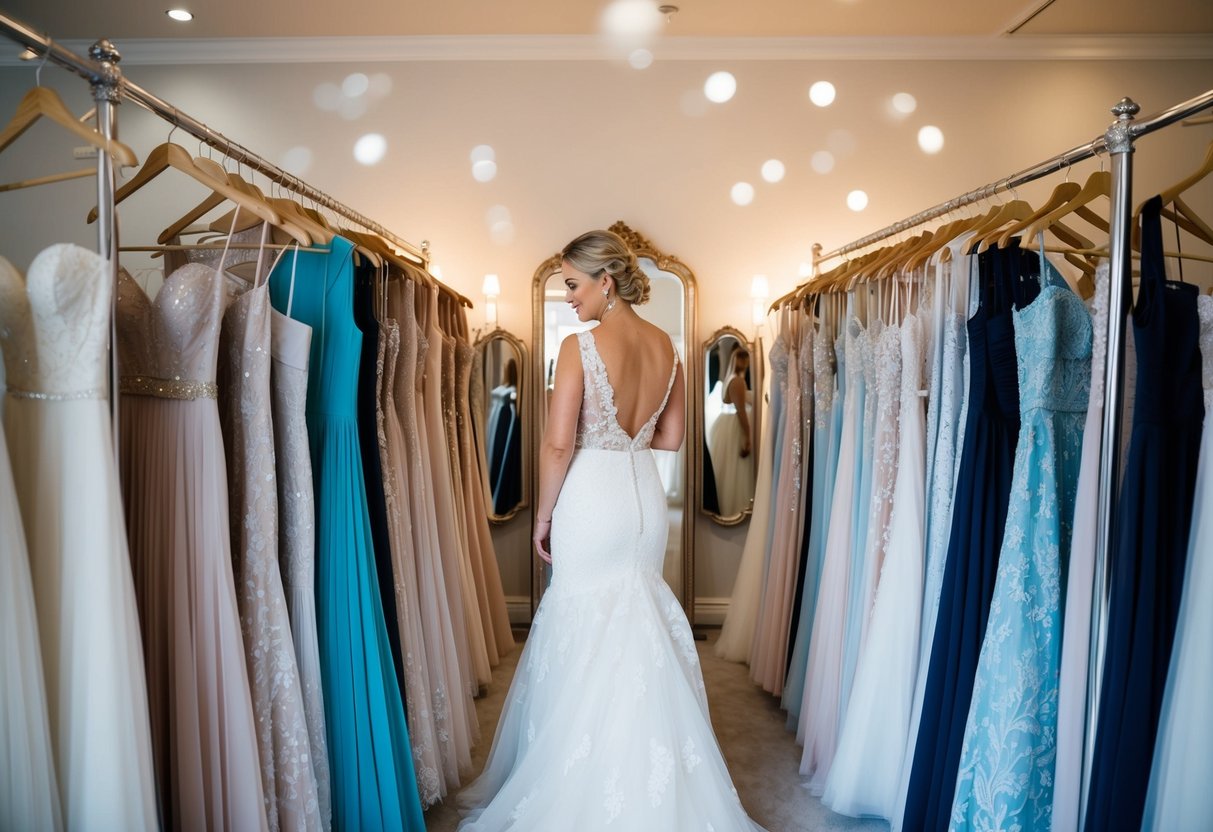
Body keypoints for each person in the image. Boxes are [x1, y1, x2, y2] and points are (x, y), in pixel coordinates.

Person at [457, 229, 766, 830]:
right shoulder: (667, 347)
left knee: (585, 629)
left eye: (573, 284)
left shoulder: (579, 347)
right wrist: (627, 434)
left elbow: (555, 444)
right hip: (643, 496)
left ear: (608, 281)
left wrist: (543, 516)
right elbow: (672, 439)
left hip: (593, 497)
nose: (569, 297)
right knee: (634, 622)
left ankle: (586, 782)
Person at [708, 347, 756, 516]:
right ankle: (735, 509)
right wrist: (748, 436)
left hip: (727, 425)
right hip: (734, 428)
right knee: (735, 471)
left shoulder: (731, 379)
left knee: (731, 470)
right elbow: (741, 411)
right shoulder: (737, 382)